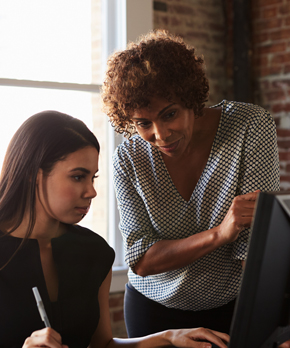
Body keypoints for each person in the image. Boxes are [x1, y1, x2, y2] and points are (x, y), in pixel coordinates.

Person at [101, 29, 280, 337]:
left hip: (233, 307)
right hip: (152, 313)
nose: (161, 134)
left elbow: (255, 244)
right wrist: (220, 233)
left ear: (191, 98)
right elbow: (141, 259)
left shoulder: (249, 126)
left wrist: (266, 327)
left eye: (169, 114)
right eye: (144, 123)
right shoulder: (127, 159)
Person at [0, 110, 230, 348]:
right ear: (32, 175)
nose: (91, 192)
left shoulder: (95, 252)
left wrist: (167, 337)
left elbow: (104, 345)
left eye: (93, 178)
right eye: (78, 177)